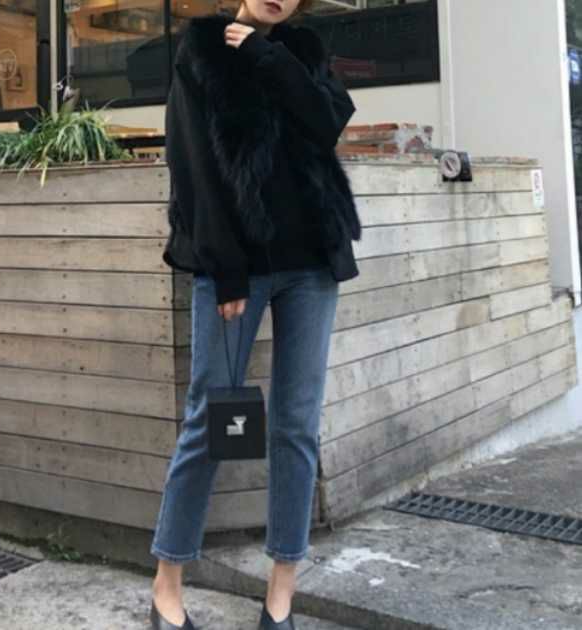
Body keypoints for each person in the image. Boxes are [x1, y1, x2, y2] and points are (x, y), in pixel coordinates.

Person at [149, 0, 361, 628]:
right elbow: (191, 165)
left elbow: (326, 122)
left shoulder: (302, 50)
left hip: (312, 267)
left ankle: (280, 596)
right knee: (213, 421)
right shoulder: (202, 48)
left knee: (296, 427)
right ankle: (166, 584)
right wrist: (225, 267)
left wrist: (269, 56)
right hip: (237, 272)